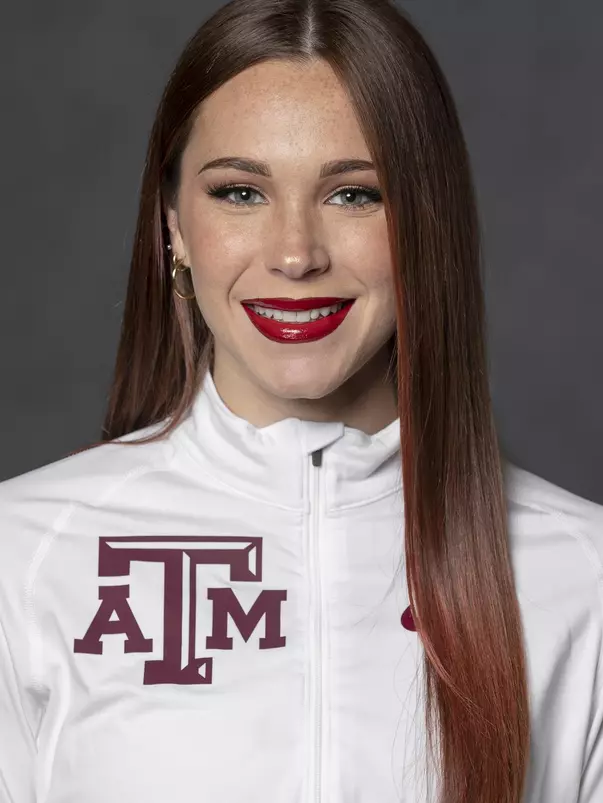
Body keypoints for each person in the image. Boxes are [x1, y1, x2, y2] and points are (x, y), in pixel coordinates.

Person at [0, 0, 601, 801]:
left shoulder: (583, 575)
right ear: (173, 226)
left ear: (425, 224)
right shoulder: (24, 555)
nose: (294, 254)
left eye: (353, 195)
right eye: (240, 193)